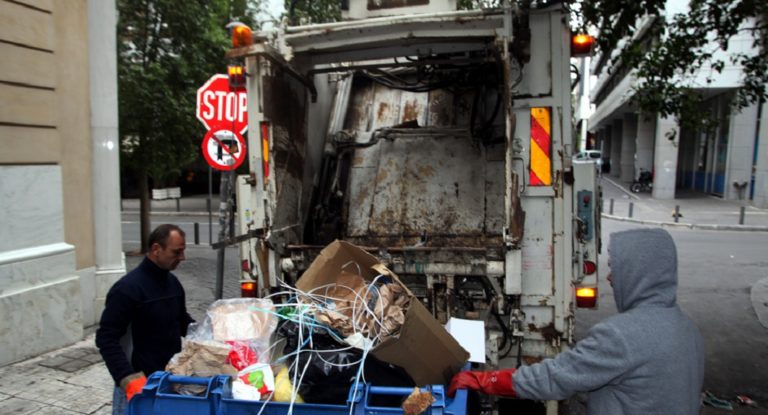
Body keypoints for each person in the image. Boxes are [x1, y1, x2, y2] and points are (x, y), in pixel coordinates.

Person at [448, 228, 705, 414]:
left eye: (616, 268)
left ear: (639, 274)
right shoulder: (687, 329)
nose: (610, 278)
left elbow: (555, 378)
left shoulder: (622, 336)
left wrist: (484, 380)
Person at [96, 224, 194, 415]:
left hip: (168, 379)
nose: (182, 258)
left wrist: (207, 333)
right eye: (177, 252)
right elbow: (106, 338)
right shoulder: (127, 289)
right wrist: (127, 377)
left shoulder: (172, 283)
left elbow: (182, 321)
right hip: (138, 386)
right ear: (157, 249)